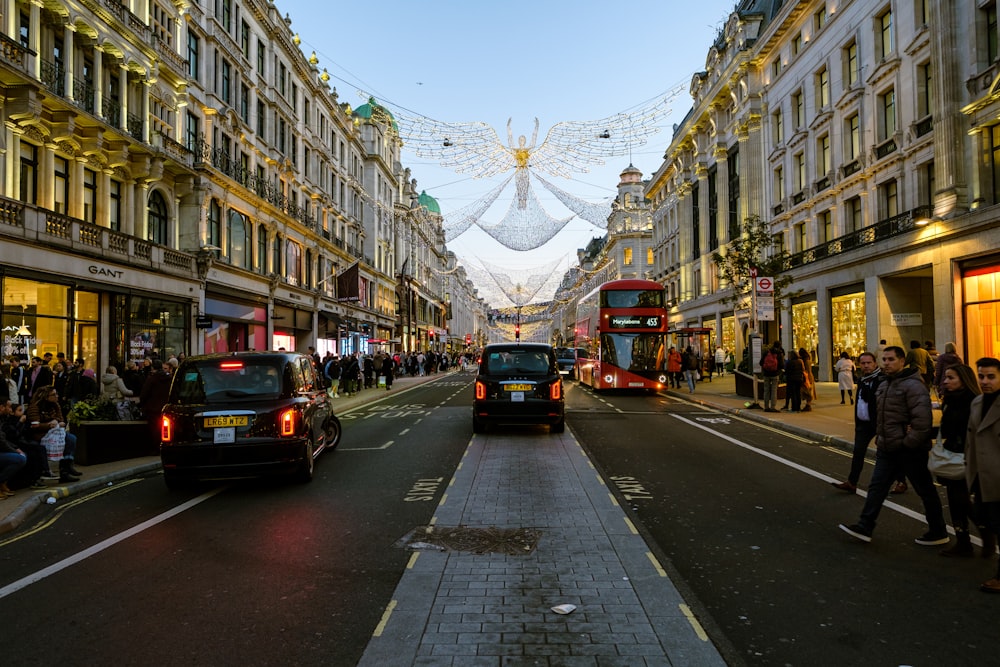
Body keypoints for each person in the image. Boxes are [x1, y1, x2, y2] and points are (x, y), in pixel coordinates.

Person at [838, 345, 948, 545]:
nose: (886, 363)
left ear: (902, 361)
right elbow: (881, 416)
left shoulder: (914, 386)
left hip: (909, 450)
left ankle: (938, 530)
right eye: (884, 359)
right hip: (888, 448)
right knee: (877, 487)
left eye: (890, 359)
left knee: (925, 489)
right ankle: (865, 526)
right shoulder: (885, 384)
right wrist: (881, 438)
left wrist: (907, 443)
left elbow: (922, 422)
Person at [935, 364, 982, 557]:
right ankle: (963, 541)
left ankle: (986, 530)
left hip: (969, 458)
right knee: (955, 501)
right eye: (946, 377)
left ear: (964, 379)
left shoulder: (974, 402)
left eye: (951, 377)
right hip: (951, 456)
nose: (946, 381)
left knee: (964, 501)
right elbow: (946, 430)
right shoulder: (948, 401)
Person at [967, 357, 1000, 592]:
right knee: (982, 517)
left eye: (991, 376)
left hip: (998, 476)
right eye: (981, 376)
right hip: (980, 475)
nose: (985, 381)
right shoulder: (977, 402)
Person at [832, 352, 886, 492]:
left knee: (887, 454)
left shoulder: (882, 379)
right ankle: (852, 482)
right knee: (858, 452)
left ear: (875, 364)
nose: (866, 366)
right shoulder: (862, 380)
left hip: (879, 423)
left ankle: (901, 481)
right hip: (863, 424)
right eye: (863, 363)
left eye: (869, 363)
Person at [26, 385, 80, 483]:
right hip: (41, 435)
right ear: (46, 397)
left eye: (57, 394)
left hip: (55, 433)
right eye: (54, 395)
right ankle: (61, 470)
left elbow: (61, 419)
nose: (57, 396)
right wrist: (49, 425)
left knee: (71, 438)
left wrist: (57, 422)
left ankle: (66, 469)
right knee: (68, 439)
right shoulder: (34, 407)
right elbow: (35, 425)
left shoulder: (55, 405)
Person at [139, 359, 172, 445]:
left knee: (154, 429)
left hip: (153, 408)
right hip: (166, 407)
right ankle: (165, 444)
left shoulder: (152, 379)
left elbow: (144, 394)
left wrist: (142, 405)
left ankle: (156, 446)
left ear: (153, 367)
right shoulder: (169, 378)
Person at [0, 414, 27, 498]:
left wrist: (16, 448)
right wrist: (15, 451)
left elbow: (4, 439)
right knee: (18, 459)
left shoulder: (3, 419)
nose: (10, 409)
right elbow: (2, 441)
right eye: (8, 406)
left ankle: (2, 483)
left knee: (22, 456)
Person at [760, 343, 783, 412]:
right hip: (775, 374)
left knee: (766, 390)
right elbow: (781, 365)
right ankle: (773, 407)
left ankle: (766, 407)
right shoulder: (779, 353)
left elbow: (761, 362)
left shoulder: (766, 352)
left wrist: (765, 367)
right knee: (774, 391)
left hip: (766, 374)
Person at [783, 349, 804, 413]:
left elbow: (787, 371)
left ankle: (794, 407)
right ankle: (798, 407)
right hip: (799, 379)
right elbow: (803, 369)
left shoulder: (790, 362)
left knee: (793, 394)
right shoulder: (800, 361)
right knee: (798, 393)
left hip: (791, 380)